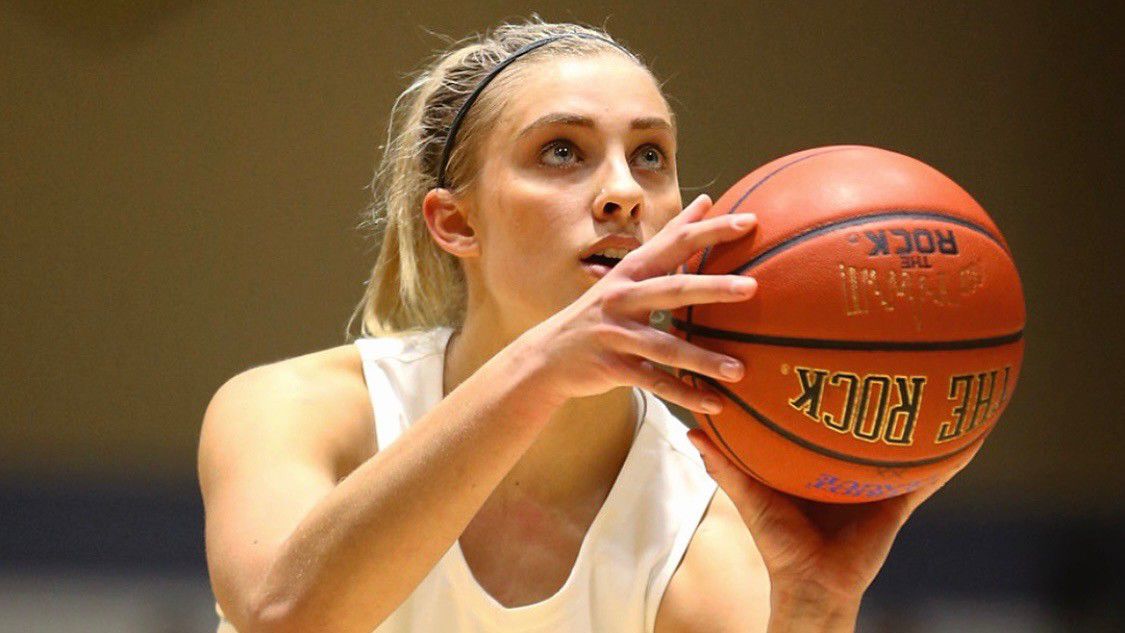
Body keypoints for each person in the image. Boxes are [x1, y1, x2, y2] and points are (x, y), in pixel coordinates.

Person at [198, 19, 977, 633]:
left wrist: (814, 611)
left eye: (649, 156)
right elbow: (283, 615)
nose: (620, 191)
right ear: (454, 221)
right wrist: (545, 366)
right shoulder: (298, 409)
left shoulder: (701, 516)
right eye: (562, 151)